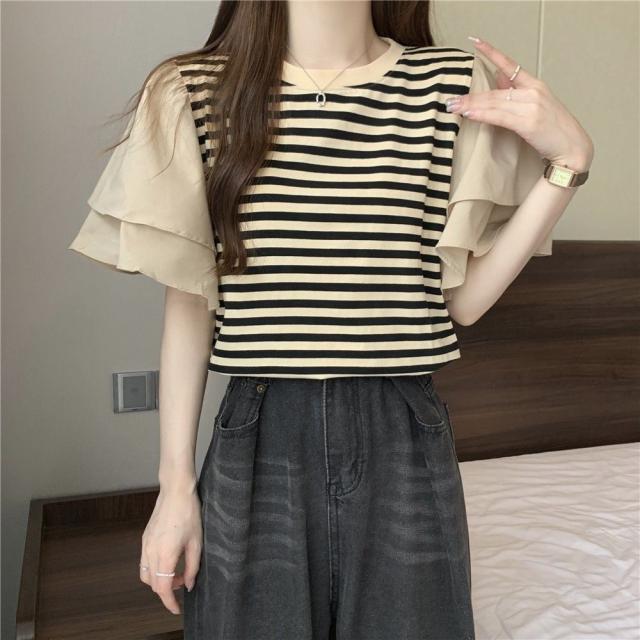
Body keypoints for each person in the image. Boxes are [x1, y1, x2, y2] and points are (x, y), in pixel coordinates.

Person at [68, 2, 594, 638]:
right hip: (260, 429)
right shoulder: (193, 91)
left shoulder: (450, 86)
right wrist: (174, 487)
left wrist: (569, 164)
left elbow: (464, 302)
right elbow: (190, 302)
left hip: (401, 428)